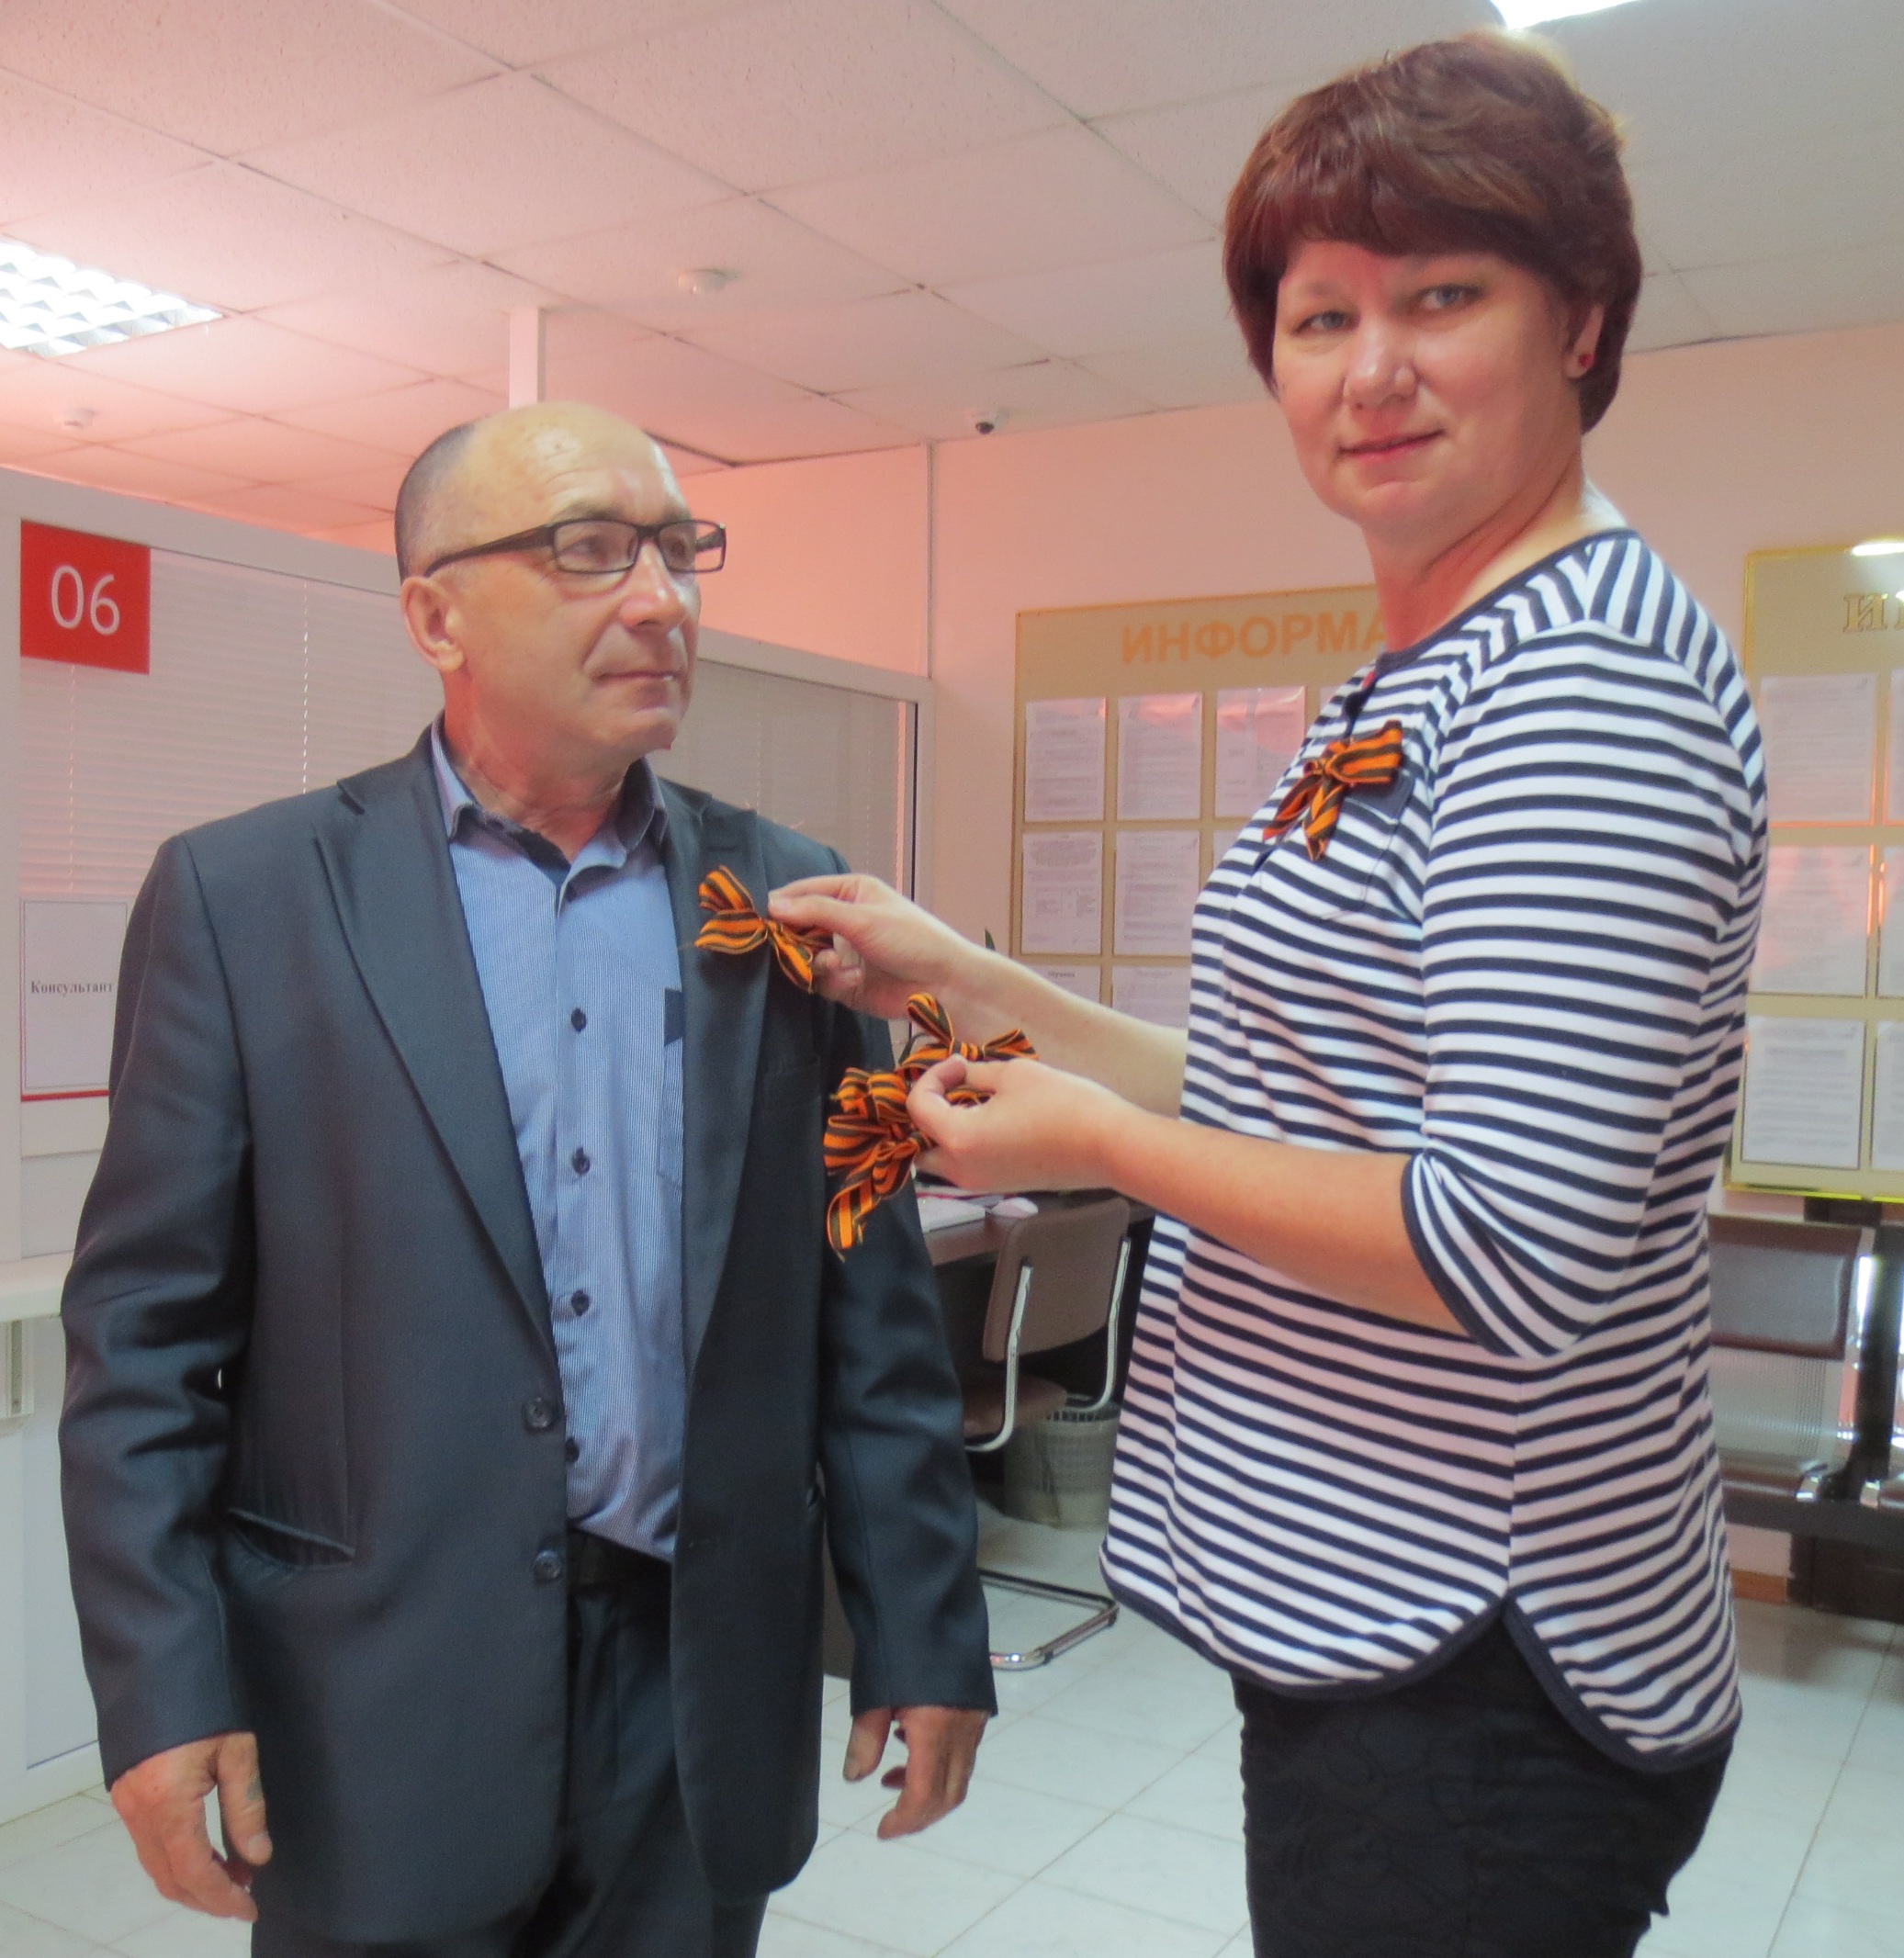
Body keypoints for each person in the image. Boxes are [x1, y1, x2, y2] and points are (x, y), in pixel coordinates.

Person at [772, 33, 1763, 1958]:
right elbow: (1294, 1086)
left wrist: (1097, 1143)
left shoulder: (1579, 687)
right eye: (1319, 318)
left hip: (1474, 1655)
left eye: (1440, 297)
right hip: (1377, 1617)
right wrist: (970, 980)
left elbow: (1503, 1245)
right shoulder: (1430, 665)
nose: (1369, 369)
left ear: (1579, 322)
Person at [59, 401, 994, 1958]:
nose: (661, 599)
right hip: (375, 1691)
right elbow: (145, 1343)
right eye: (588, 550)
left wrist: (924, 1626)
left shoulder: (785, 897)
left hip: (696, 1687)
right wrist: (160, 1687)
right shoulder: (249, 896)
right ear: (436, 616)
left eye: (679, 550)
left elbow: (871, 1312)